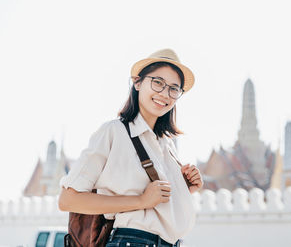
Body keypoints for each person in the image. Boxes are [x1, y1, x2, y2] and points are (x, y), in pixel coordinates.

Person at [58, 49, 203, 247]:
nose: (164, 94)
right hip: (132, 241)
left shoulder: (166, 144)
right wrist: (141, 201)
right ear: (137, 82)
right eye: (158, 82)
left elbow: (157, 206)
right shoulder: (114, 132)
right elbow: (68, 200)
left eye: (173, 88)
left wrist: (184, 188)